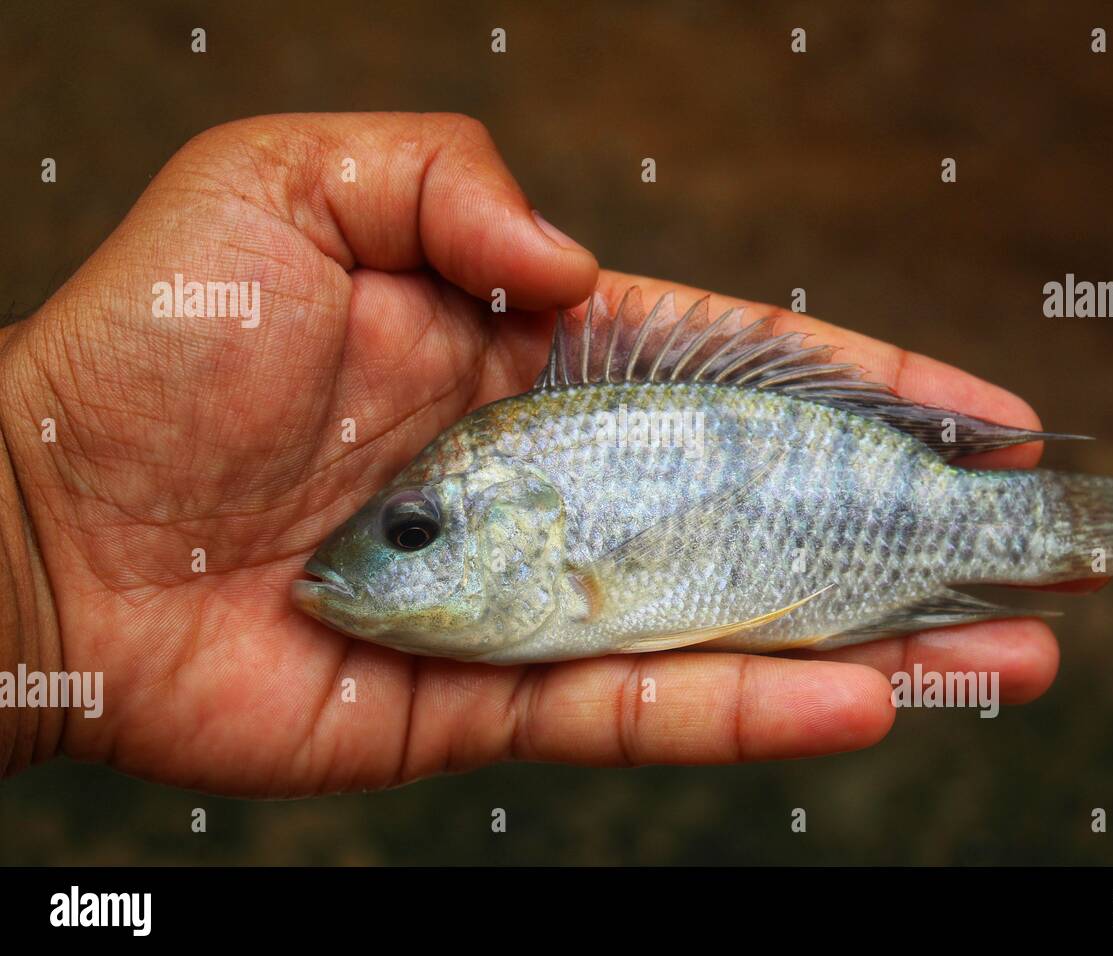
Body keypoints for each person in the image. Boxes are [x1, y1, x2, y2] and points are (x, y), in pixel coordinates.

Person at [0, 113, 1059, 796]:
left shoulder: (547, 509)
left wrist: (34, 525)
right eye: (411, 533)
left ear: (535, 527)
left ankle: (1020, 529)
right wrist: (30, 514)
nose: (373, 553)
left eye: (414, 530)